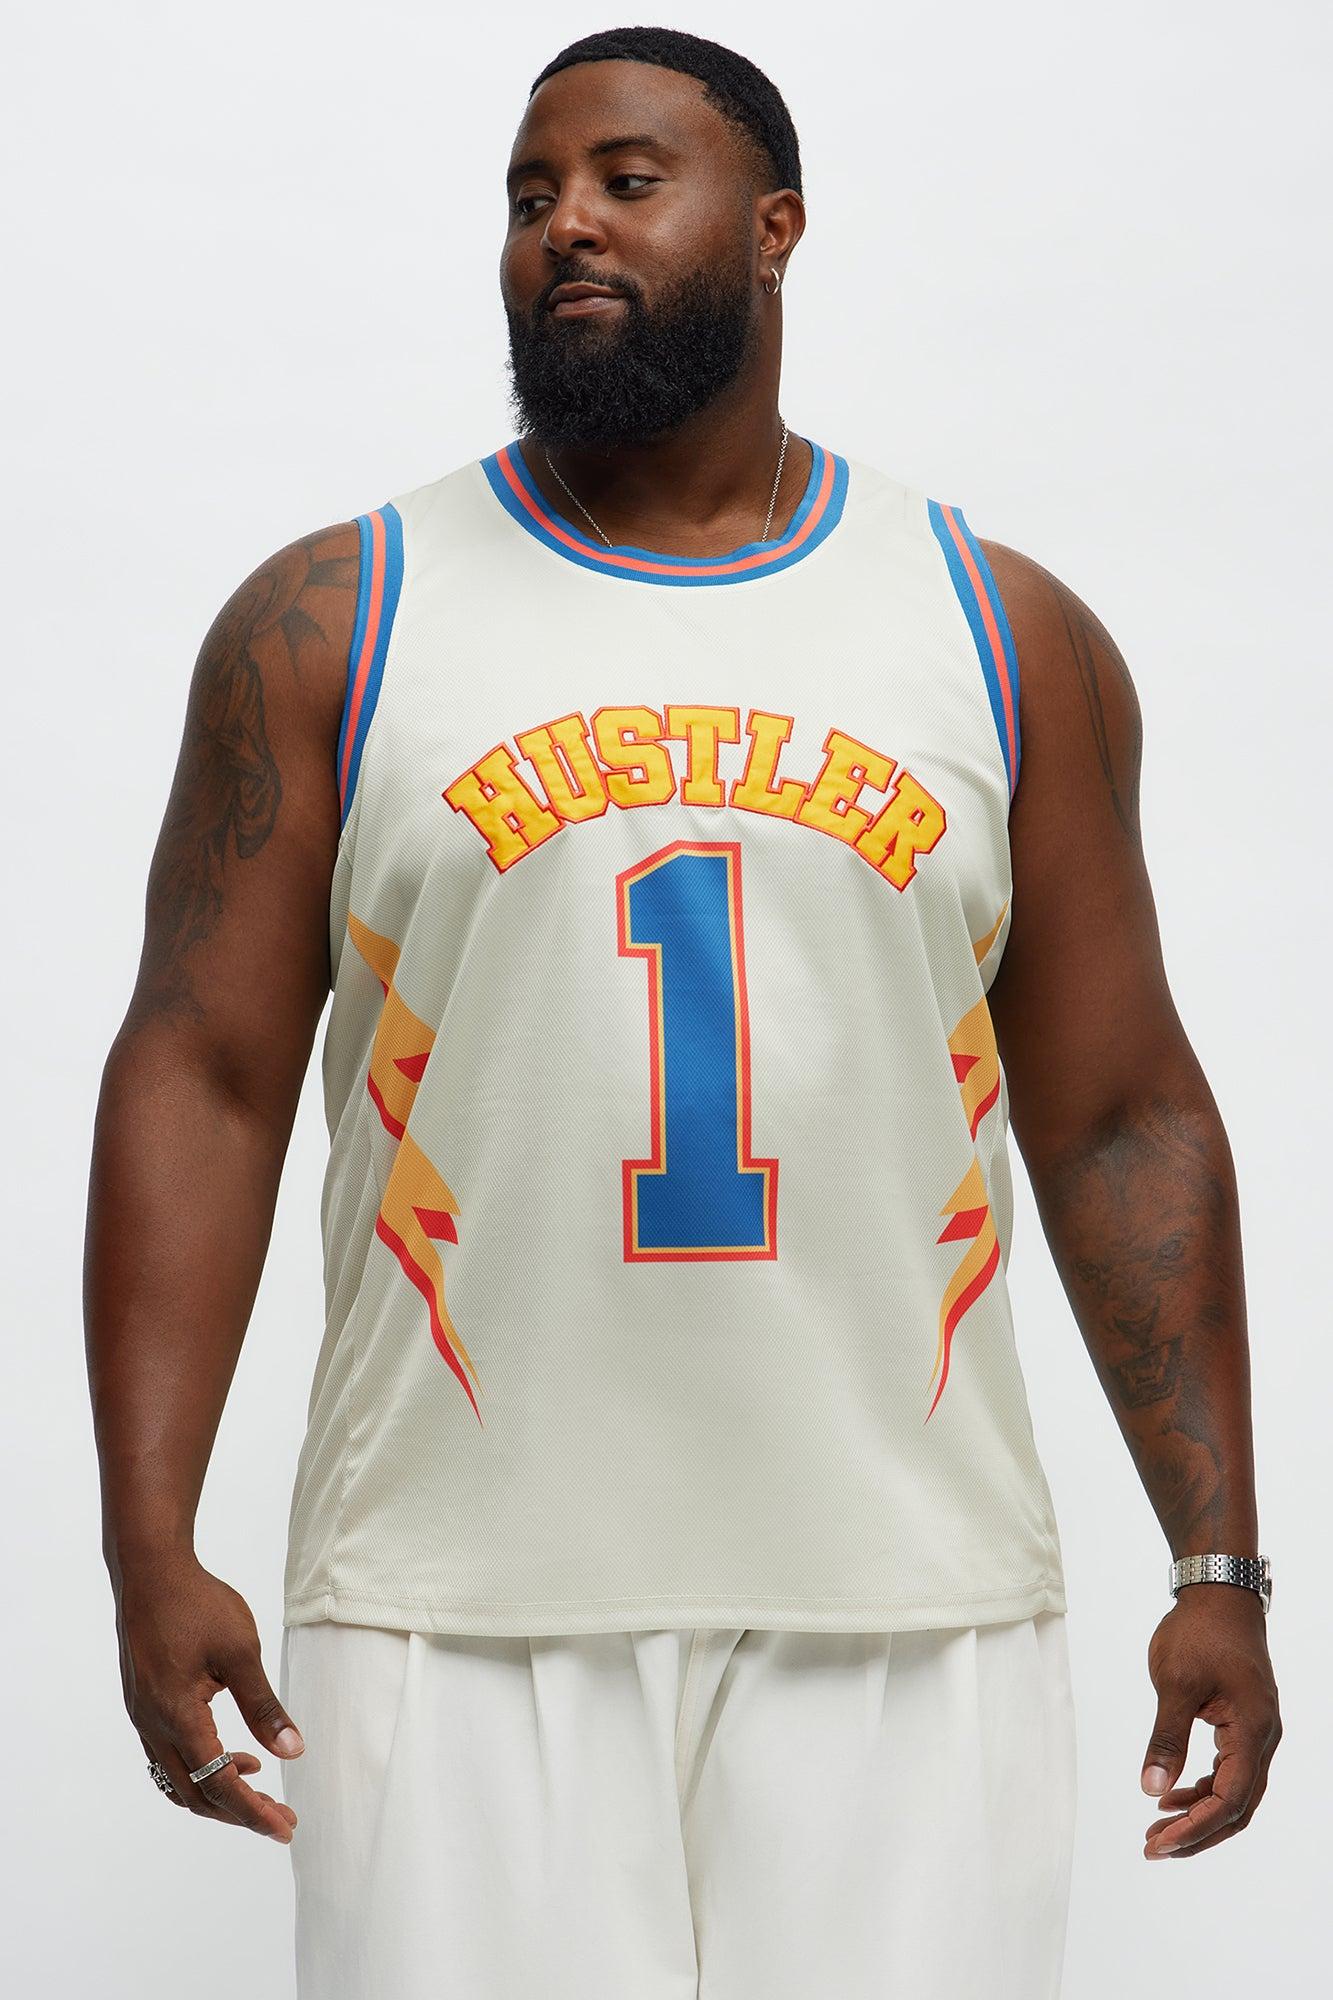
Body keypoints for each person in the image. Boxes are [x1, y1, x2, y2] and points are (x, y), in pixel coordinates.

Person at [83, 24, 1281, 2000]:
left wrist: (1215, 1563)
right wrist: (150, 1535)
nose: (563, 223)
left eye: (626, 181)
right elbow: (201, 1076)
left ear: (775, 226)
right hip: (448, 1600)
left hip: (906, 1600)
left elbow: (1119, 1111)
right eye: (528, 195)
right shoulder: (334, 618)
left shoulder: (998, 629)